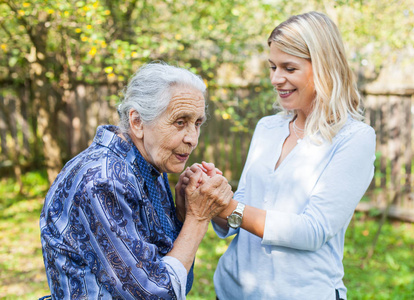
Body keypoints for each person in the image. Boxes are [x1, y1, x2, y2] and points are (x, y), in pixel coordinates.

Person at [184, 11, 376, 300]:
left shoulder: (354, 138)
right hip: (232, 291)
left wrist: (227, 206)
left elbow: (313, 230)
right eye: (273, 67)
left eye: (289, 68)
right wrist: (214, 194)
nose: (276, 79)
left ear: (323, 67)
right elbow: (243, 209)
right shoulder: (267, 128)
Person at [39, 62, 233, 299]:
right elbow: (155, 294)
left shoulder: (149, 165)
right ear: (138, 122)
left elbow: (176, 274)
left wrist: (182, 215)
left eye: (198, 123)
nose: (192, 138)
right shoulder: (103, 181)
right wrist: (199, 218)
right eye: (180, 122)